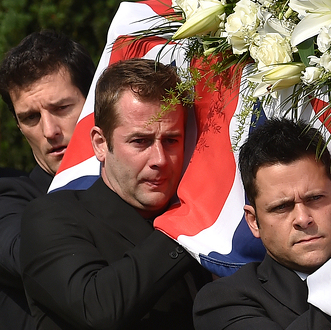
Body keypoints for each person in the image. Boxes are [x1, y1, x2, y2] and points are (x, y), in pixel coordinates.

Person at [20, 58, 209, 330]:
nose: (160, 159)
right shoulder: (51, 217)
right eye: (140, 141)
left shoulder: (205, 227)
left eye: (171, 140)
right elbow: (97, 308)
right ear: (100, 143)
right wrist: (187, 225)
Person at [193, 117, 331, 330]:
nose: (303, 219)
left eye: (314, 198)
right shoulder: (221, 300)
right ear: (254, 222)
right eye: (281, 207)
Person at [0, 31, 94, 329]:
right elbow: (30, 254)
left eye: (62, 108)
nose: (50, 130)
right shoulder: (11, 198)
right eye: (31, 118)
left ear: (94, 101)